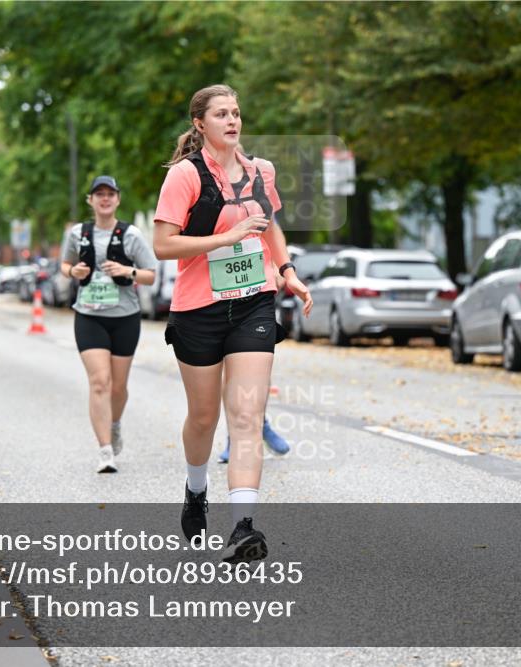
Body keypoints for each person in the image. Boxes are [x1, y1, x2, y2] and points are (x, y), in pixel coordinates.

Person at [153, 84, 312, 563]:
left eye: (236, 112)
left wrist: (287, 271)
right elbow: (164, 245)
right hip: (198, 308)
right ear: (199, 123)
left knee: (245, 415)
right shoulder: (185, 175)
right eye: (221, 113)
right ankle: (195, 488)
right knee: (204, 417)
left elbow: (271, 226)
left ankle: (244, 526)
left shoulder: (262, 171)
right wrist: (226, 237)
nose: (232, 120)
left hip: (253, 303)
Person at [60, 176, 158, 473]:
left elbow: (150, 274)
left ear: (118, 199)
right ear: (90, 200)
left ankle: (114, 424)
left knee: (118, 387)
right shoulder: (78, 233)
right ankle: (105, 450)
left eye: (110, 194)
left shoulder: (131, 235)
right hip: (89, 316)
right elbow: (64, 265)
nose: (105, 199)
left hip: (125, 317)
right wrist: (73, 271)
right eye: (99, 194)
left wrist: (127, 271)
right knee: (100, 382)